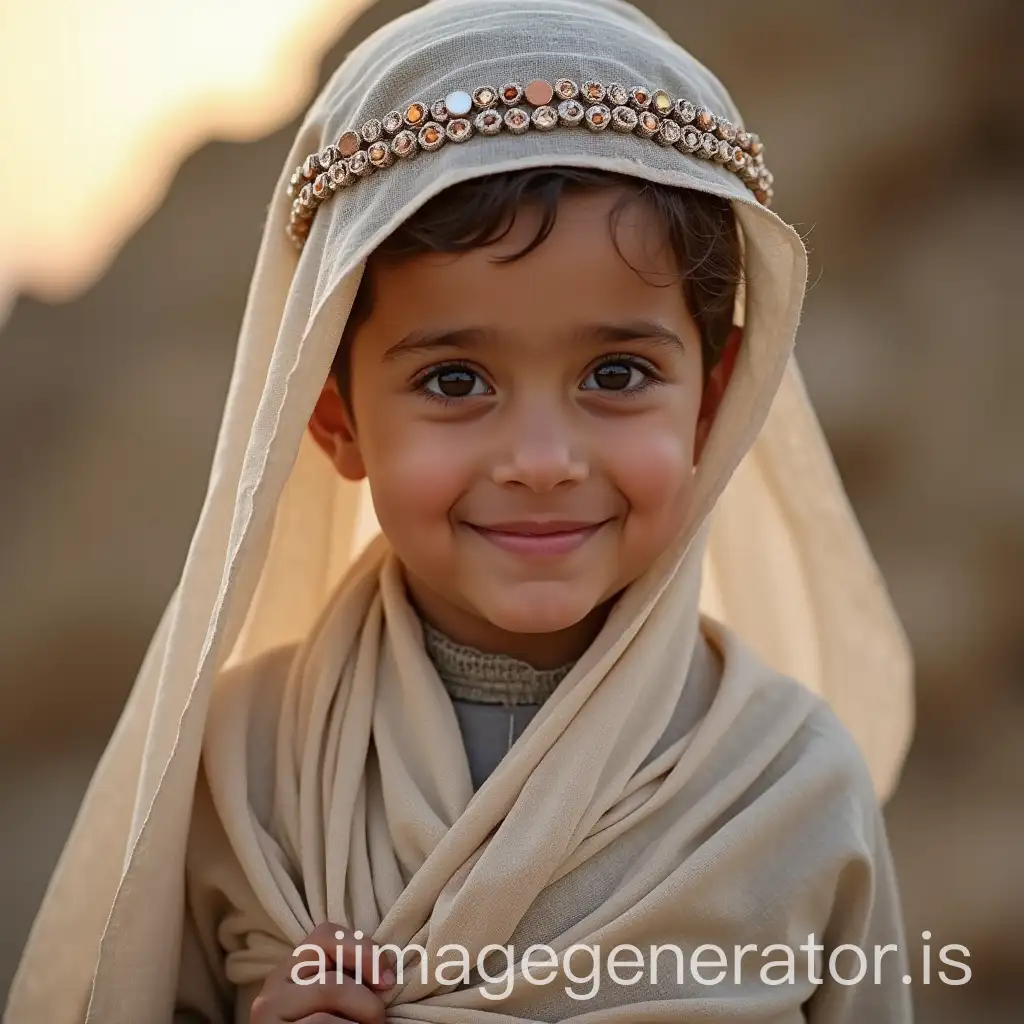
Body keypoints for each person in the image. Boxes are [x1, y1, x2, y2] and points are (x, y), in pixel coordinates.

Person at [4, 1, 916, 1022]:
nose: (538, 461)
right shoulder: (238, 767)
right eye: (453, 381)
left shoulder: (789, 788)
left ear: (715, 399)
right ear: (332, 415)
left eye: (615, 372)